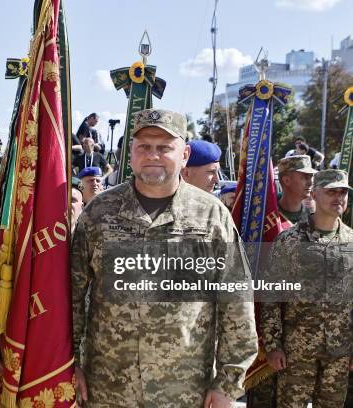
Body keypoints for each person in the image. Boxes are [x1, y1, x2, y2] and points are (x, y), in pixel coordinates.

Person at [71, 108, 257, 407]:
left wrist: (227, 383)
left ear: (184, 154)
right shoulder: (99, 213)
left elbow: (236, 300)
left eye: (164, 147)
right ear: (130, 153)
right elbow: (72, 294)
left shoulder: (211, 216)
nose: (153, 155)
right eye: (144, 146)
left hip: (183, 389)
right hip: (109, 387)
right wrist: (71, 363)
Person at [261, 169, 353, 408]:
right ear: (314, 194)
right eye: (331, 191)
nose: (338, 198)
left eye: (343, 192)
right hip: (297, 352)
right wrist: (273, 345)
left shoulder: (351, 240)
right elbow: (271, 296)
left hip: (339, 352)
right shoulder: (289, 240)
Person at [246, 155, 317, 408]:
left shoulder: (316, 221)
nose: (310, 181)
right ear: (286, 179)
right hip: (269, 327)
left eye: (311, 176)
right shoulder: (265, 221)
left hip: (305, 331)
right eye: (304, 176)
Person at [277, 155, 317, 224]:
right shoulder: (266, 214)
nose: (310, 183)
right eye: (305, 177)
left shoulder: (313, 218)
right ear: (286, 180)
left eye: (311, 177)